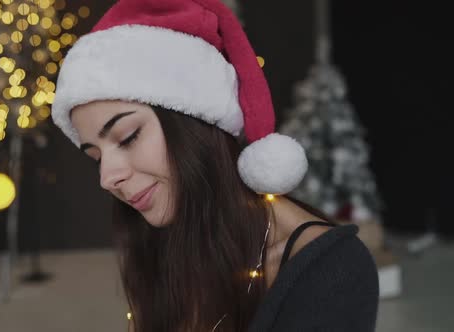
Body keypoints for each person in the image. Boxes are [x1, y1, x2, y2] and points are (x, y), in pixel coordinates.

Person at [51, 0, 379, 331]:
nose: (108, 178)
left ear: (197, 122)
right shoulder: (166, 237)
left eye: (128, 137)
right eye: (95, 157)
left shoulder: (331, 270)